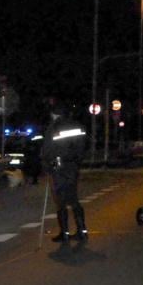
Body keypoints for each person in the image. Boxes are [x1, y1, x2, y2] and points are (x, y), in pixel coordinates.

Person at [41, 100, 88, 242]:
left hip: (59, 168)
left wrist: (46, 165)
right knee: (73, 199)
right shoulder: (78, 126)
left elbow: (47, 150)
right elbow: (83, 147)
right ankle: (82, 230)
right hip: (73, 167)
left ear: (54, 114)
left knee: (61, 201)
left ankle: (64, 233)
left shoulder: (54, 127)